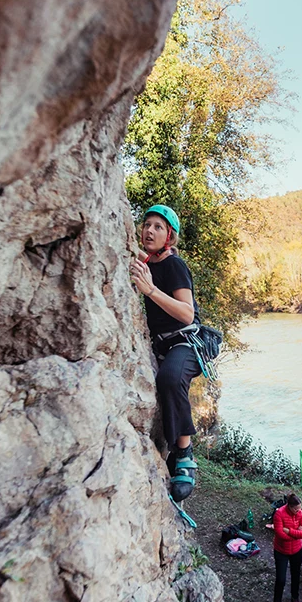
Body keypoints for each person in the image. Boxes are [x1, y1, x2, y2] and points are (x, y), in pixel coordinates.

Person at [130, 205, 201, 502]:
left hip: (185, 342)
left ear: (169, 236)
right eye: (147, 224)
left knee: (171, 378)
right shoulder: (145, 264)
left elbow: (187, 314)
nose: (149, 230)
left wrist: (150, 291)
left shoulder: (174, 266)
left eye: (158, 227)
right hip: (160, 344)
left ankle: (184, 454)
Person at [271, 493, 302, 602]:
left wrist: (290, 531)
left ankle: (295, 598)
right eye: (296, 509)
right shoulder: (279, 514)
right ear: (290, 507)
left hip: (297, 550)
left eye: (300, 509)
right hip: (281, 551)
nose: (299, 511)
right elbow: (280, 534)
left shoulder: (300, 513)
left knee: (296, 575)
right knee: (280, 579)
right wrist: (296, 532)